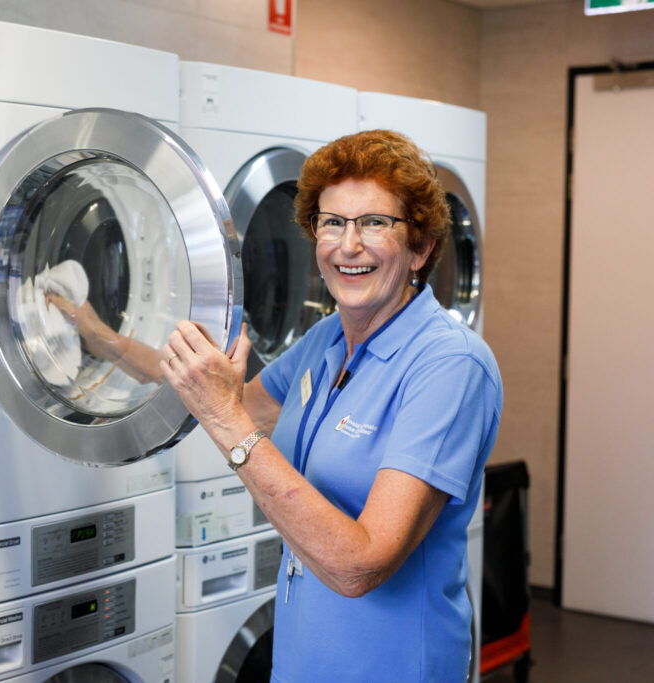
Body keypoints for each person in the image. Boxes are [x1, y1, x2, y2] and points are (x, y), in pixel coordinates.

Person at [160, 129, 503, 681]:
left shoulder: (452, 366)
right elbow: (226, 399)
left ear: (421, 247)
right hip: (303, 662)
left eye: (375, 223)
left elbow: (359, 565)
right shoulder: (325, 341)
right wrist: (99, 336)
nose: (348, 244)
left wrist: (227, 421)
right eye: (333, 222)